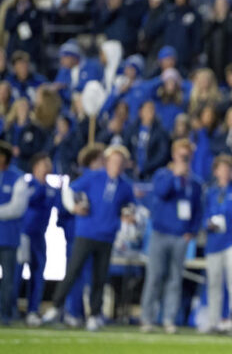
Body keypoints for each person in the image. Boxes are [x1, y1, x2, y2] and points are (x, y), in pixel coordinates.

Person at [43, 145, 136, 331]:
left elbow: (131, 206)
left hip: (107, 236)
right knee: (73, 271)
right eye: (114, 161)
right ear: (107, 161)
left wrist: (128, 216)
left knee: (99, 277)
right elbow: (69, 189)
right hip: (86, 233)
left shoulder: (125, 185)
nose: (117, 165)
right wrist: (72, 207)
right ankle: (55, 307)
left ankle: (93, 314)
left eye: (120, 162)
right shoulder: (94, 176)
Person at [139, 139, 203, 334]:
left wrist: (191, 231)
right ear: (174, 155)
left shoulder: (194, 182)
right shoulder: (162, 175)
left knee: (175, 279)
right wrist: (175, 174)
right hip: (160, 233)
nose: (184, 159)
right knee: (154, 277)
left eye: (187, 155)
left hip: (180, 236)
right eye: (181, 155)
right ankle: (147, 319)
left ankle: (168, 319)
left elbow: (198, 210)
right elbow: (160, 193)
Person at [203, 154, 232, 333]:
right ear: (215, 171)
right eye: (222, 168)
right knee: (213, 282)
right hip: (214, 242)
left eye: (228, 169)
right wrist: (207, 223)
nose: (225, 172)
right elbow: (204, 214)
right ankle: (214, 321)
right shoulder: (211, 192)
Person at [19, 153, 54, 326]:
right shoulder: (27, 184)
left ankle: (33, 310)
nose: (48, 168)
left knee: (38, 274)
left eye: (49, 165)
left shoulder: (51, 188)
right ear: (35, 167)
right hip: (23, 234)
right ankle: (8, 310)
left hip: (40, 235)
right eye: (44, 165)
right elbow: (28, 200)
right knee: (16, 274)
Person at [0, 140, 29, 325]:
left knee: (8, 279)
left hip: (9, 237)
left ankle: (5, 314)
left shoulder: (18, 178)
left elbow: (18, 208)